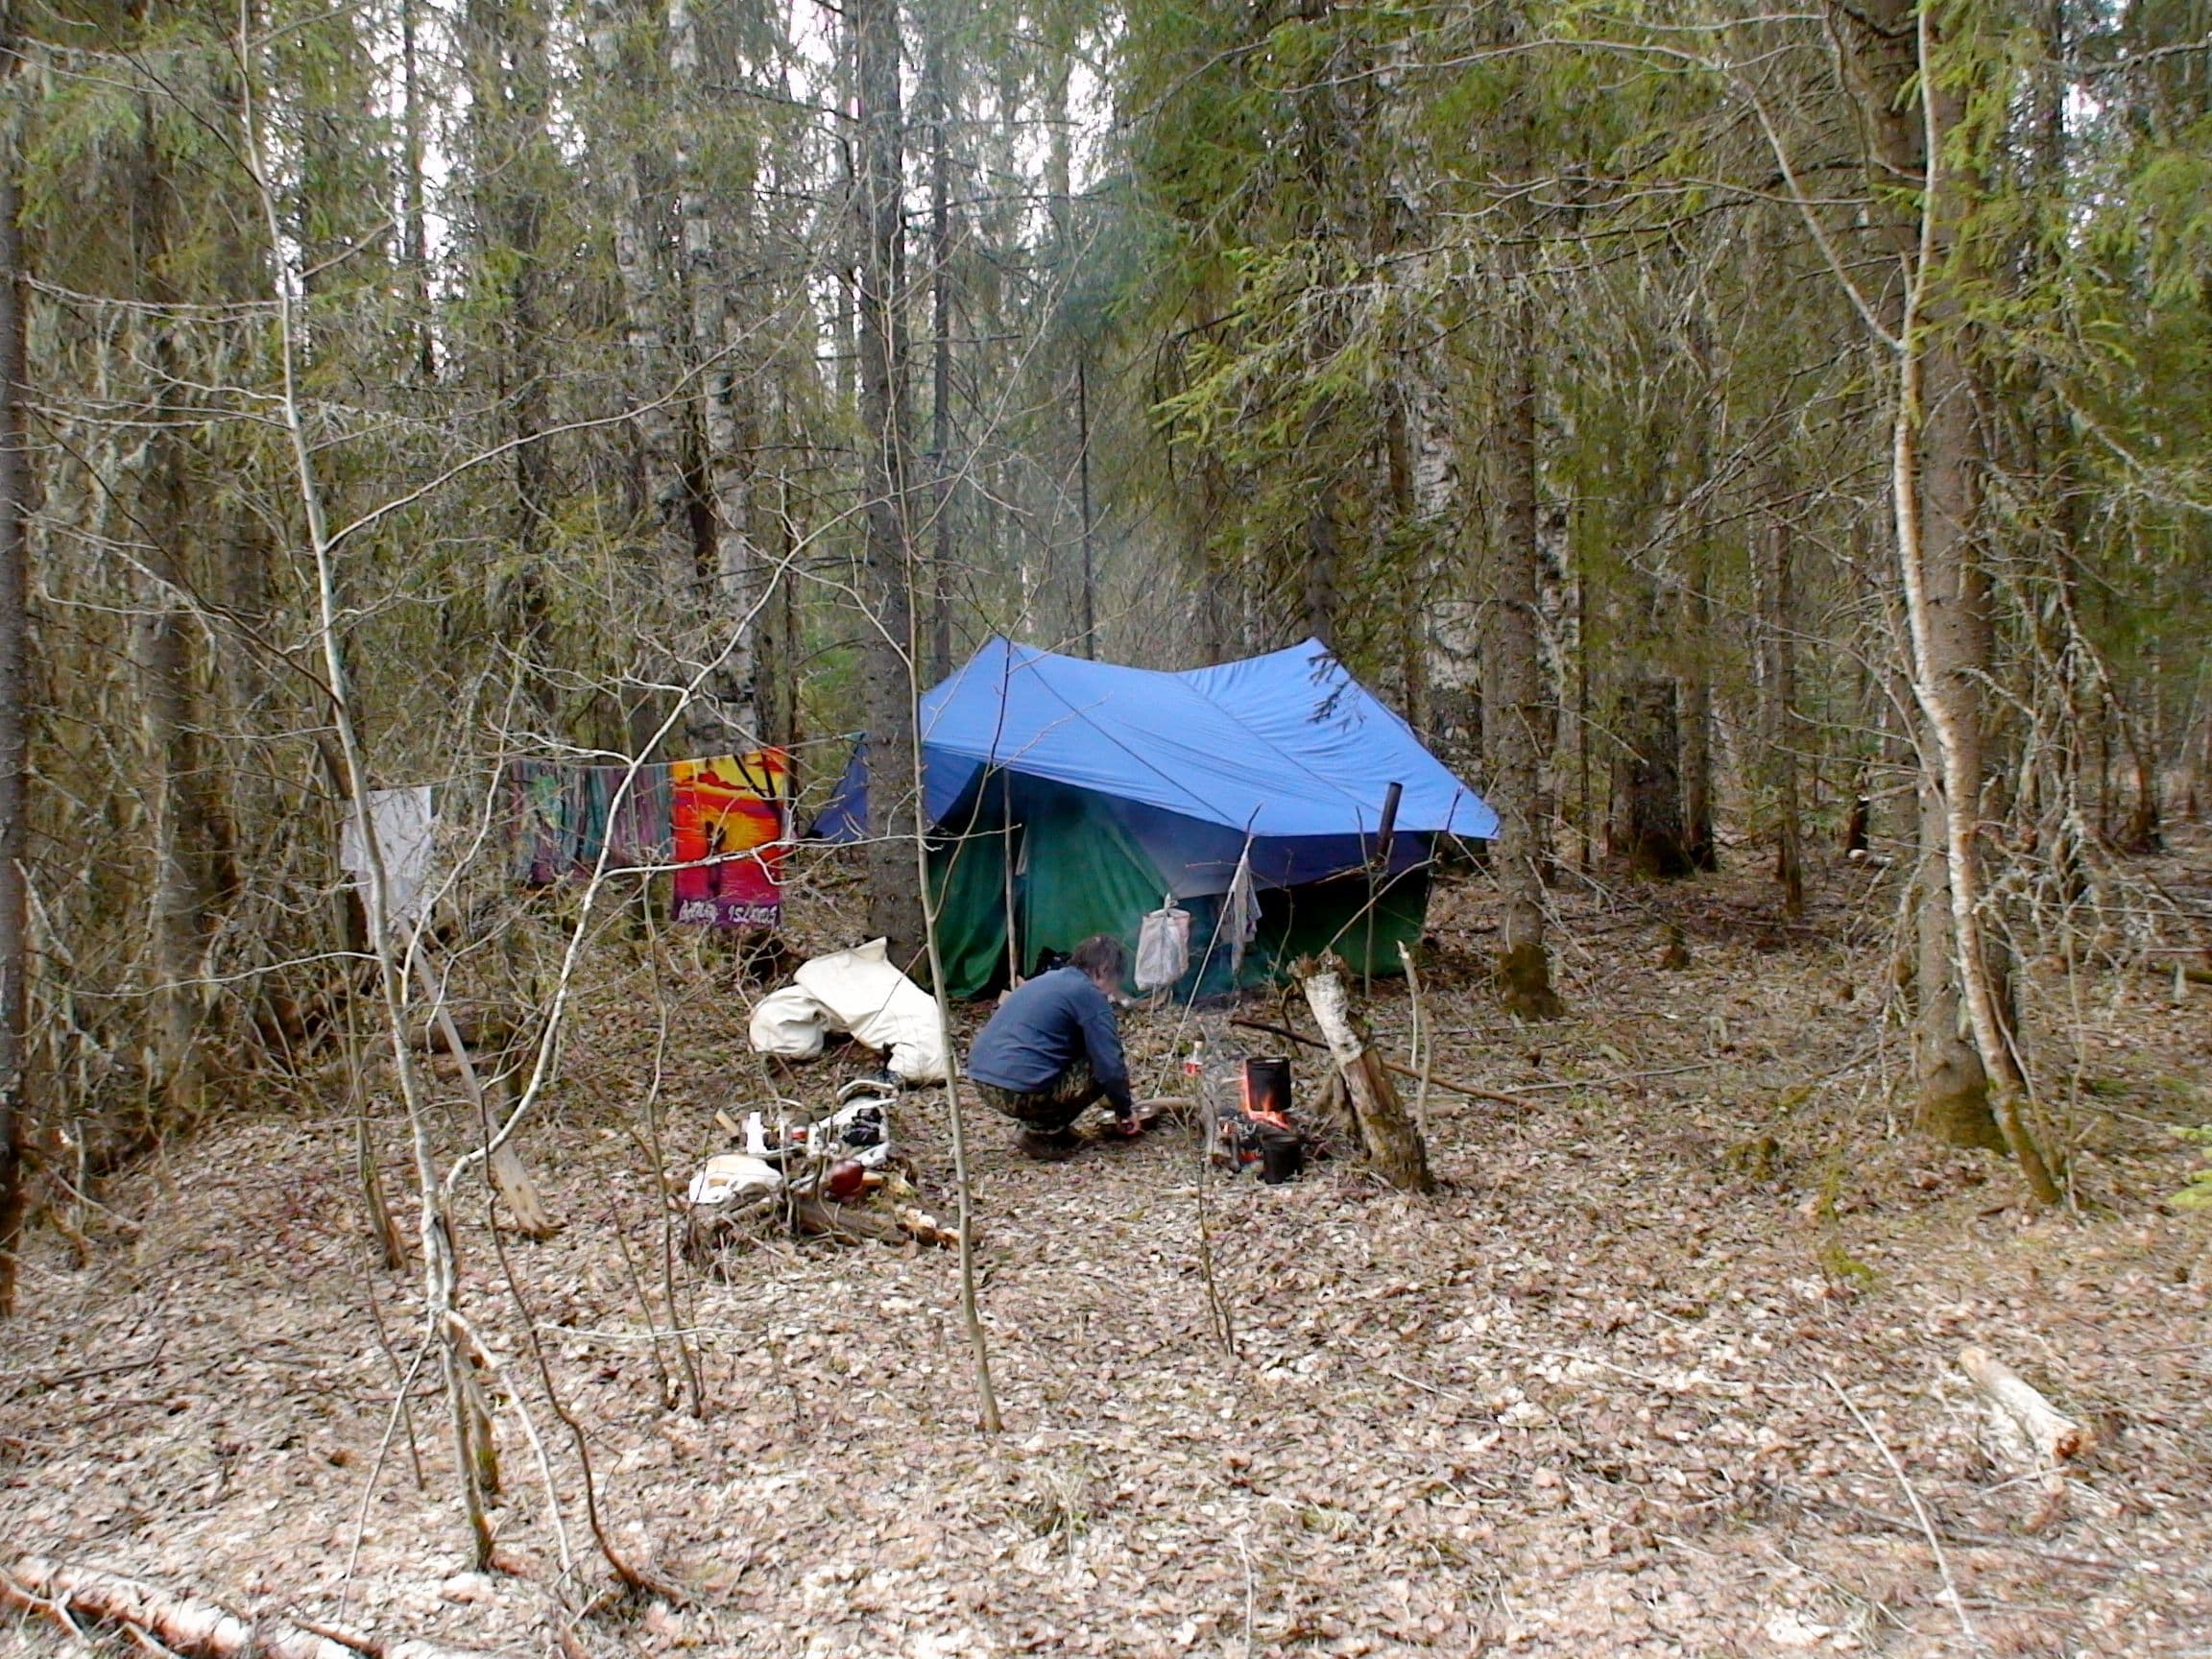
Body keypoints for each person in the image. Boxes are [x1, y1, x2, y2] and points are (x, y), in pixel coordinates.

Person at [968, 934, 1141, 1159]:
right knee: (1099, 1065)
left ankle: (1046, 1128)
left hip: (983, 1080)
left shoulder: (1048, 980)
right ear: (1104, 970)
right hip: (1017, 1089)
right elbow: (1110, 1065)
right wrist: (1124, 1111)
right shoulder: (1089, 994)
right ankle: (1042, 1134)